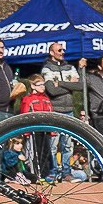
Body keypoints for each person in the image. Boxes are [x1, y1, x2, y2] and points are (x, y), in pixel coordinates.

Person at [41, 43, 87, 181]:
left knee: (67, 144)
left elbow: (80, 85)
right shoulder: (47, 68)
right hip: (54, 110)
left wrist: (60, 83)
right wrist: (69, 84)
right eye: (59, 50)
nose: (62, 52)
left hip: (69, 110)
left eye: (63, 50)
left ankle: (66, 173)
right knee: (53, 145)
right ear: (51, 52)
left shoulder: (70, 67)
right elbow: (52, 91)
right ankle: (53, 172)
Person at [19, 74, 56, 179]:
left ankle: (46, 174)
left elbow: (51, 114)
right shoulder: (28, 99)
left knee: (46, 153)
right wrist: (26, 132)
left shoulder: (46, 99)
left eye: (43, 84)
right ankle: (36, 175)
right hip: (34, 130)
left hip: (45, 129)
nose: (42, 87)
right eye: (39, 85)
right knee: (35, 152)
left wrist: (52, 130)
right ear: (33, 86)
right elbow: (24, 114)